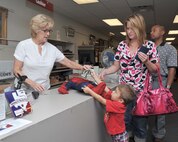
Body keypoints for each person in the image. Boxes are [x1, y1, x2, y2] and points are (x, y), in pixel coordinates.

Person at [99, 13, 159, 142]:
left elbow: (155, 70)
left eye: (132, 28)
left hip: (141, 93)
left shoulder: (149, 46)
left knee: (140, 124)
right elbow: (116, 66)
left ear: (140, 27)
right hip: (124, 93)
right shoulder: (122, 45)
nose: (129, 31)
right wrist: (105, 71)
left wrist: (147, 62)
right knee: (124, 121)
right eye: (127, 28)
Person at [13, 14, 91, 94]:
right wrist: (32, 83)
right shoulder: (23, 45)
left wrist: (82, 67)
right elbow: (16, 70)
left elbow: (68, 62)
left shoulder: (52, 49)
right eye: (45, 31)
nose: (48, 34)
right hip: (24, 90)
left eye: (49, 31)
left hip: (44, 90)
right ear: (36, 30)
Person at [82, 71, 136, 142]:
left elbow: (101, 100)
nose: (113, 92)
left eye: (115, 92)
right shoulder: (116, 100)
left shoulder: (118, 106)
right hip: (116, 134)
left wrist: (89, 91)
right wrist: (94, 76)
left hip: (119, 136)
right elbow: (105, 88)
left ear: (120, 100)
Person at [150, 25, 177, 142]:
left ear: (162, 32)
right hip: (146, 81)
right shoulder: (148, 47)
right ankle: (141, 132)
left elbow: (172, 69)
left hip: (161, 81)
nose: (151, 32)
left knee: (160, 111)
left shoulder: (170, 49)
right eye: (151, 30)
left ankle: (159, 135)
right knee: (143, 107)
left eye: (154, 30)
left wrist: (168, 87)